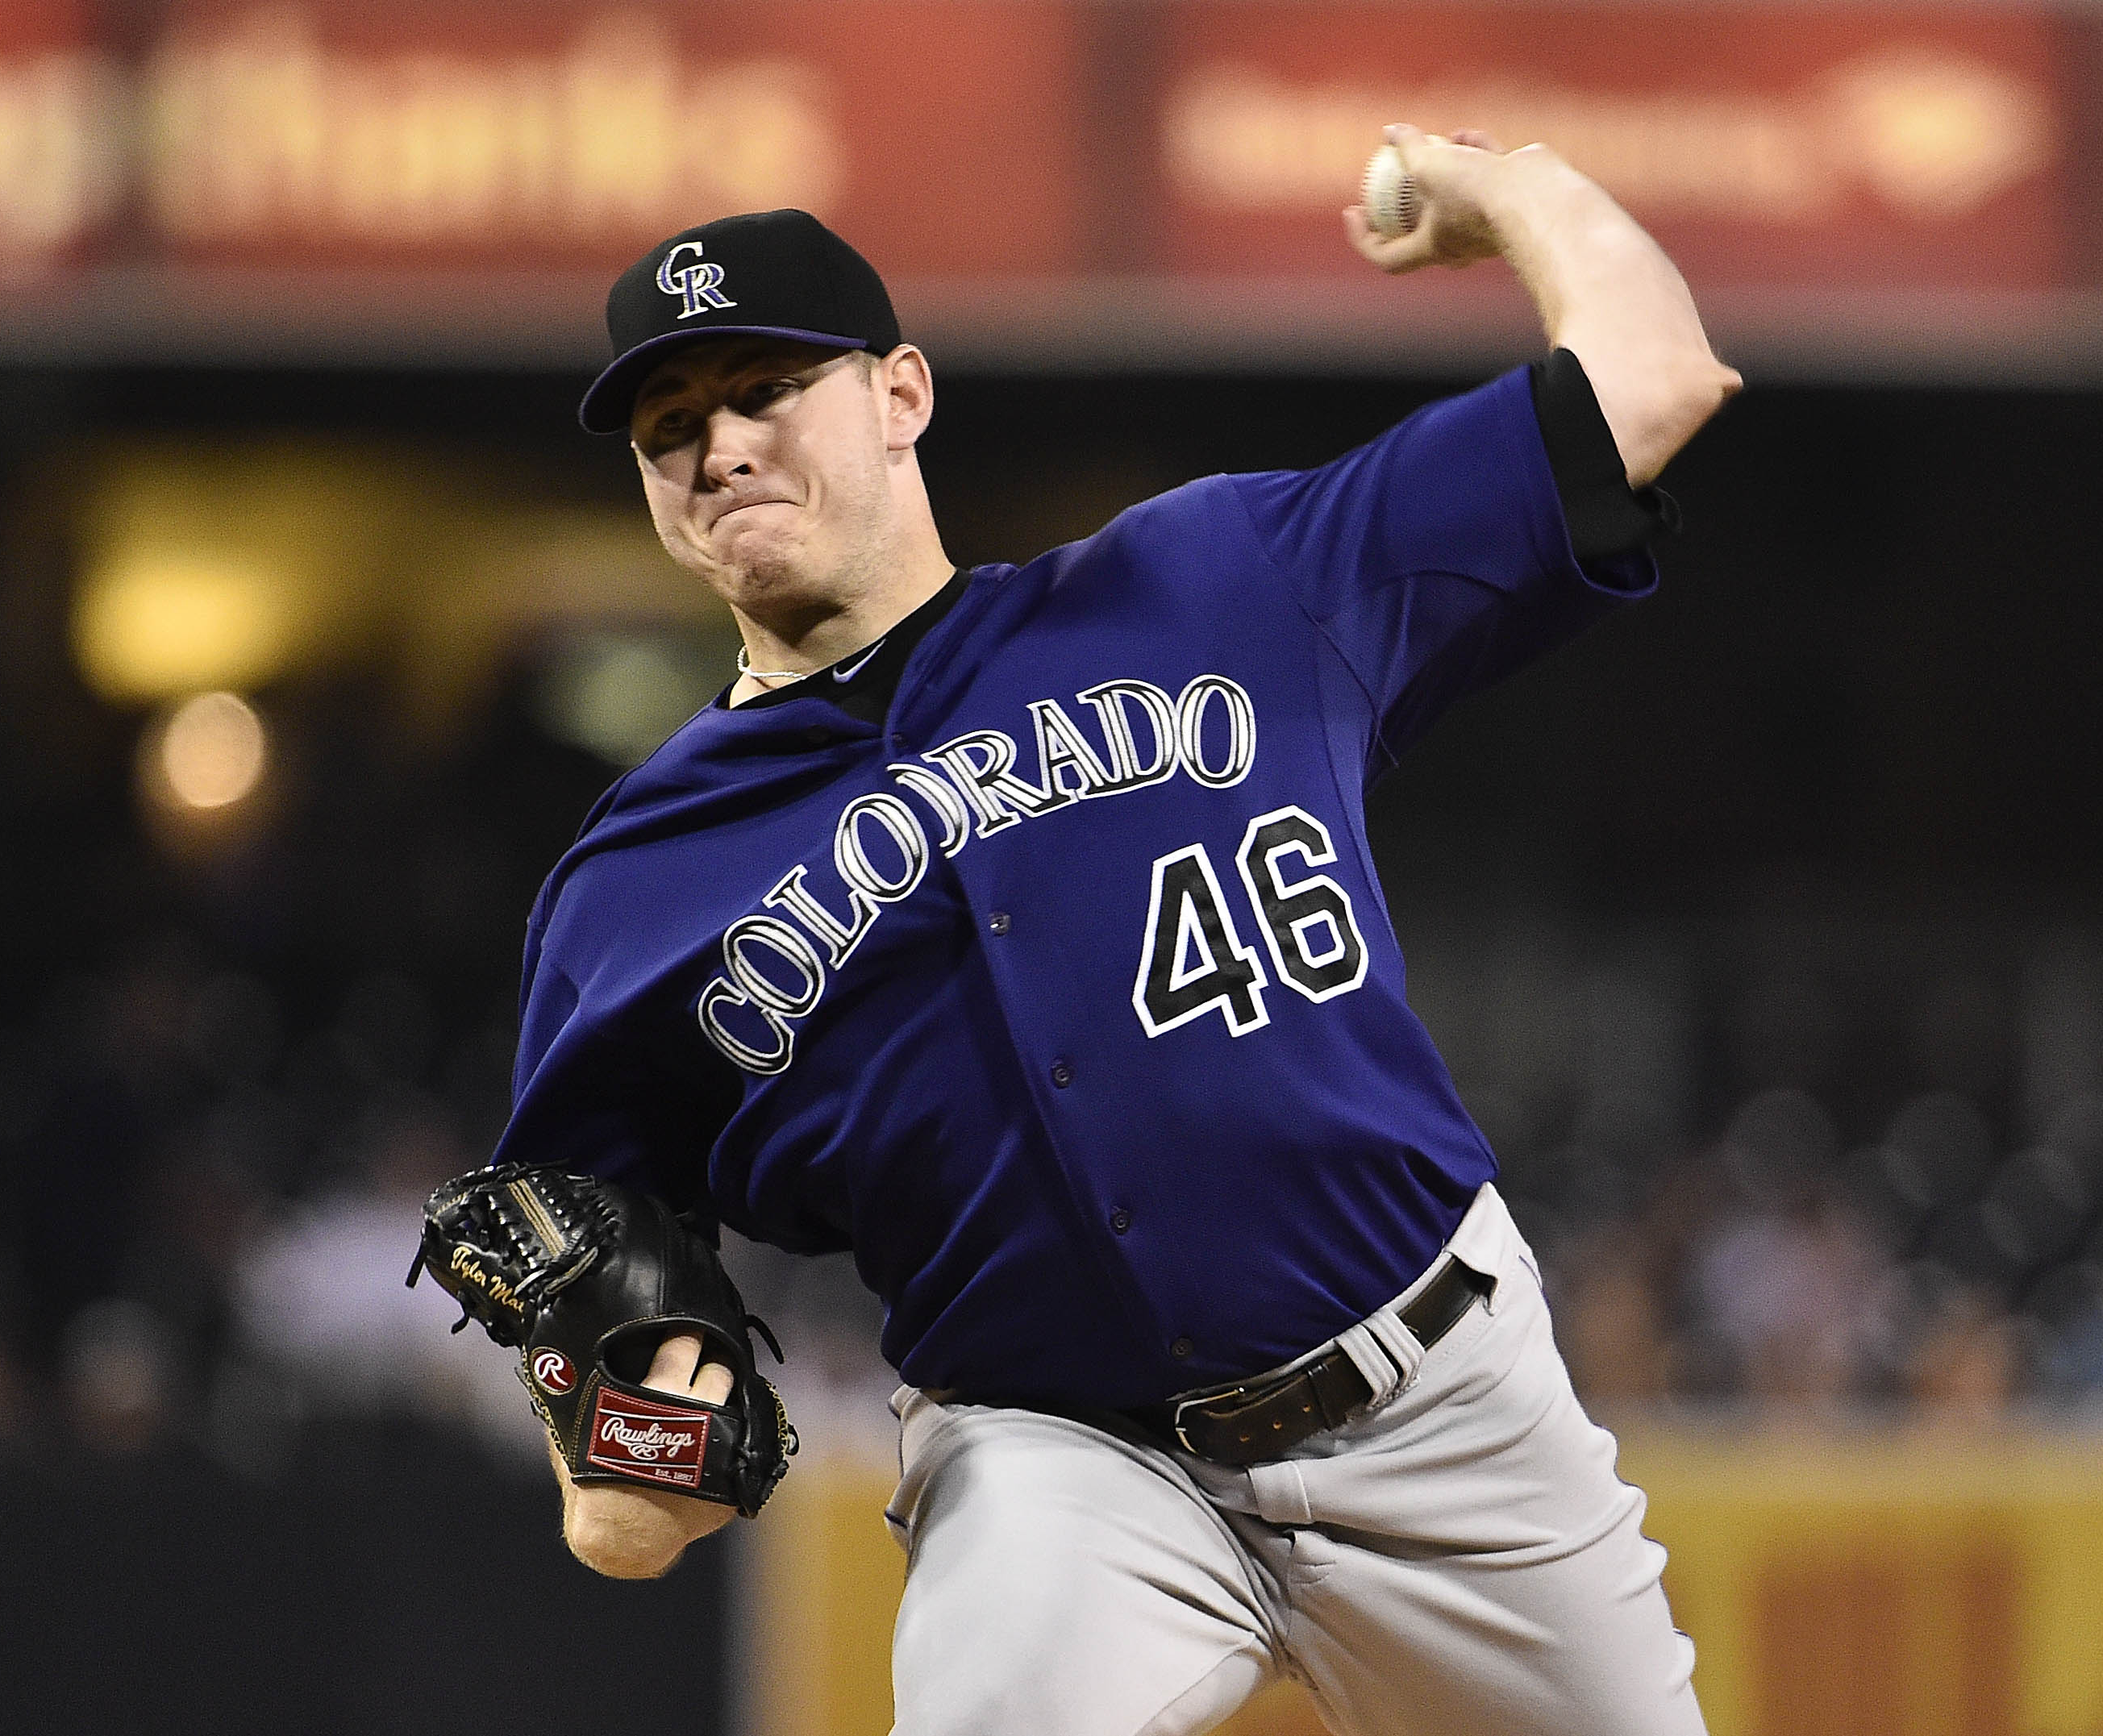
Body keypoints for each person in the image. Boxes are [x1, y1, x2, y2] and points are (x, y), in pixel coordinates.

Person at [495, 123, 1739, 1735]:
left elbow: (1654, 379)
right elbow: (603, 1394)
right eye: (670, 426)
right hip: (1057, 1466)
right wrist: (626, 1460)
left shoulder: (1211, 582)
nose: (719, 444)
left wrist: (1508, 189)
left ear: (900, 393)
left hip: (1435, 1400)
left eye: (764, 389)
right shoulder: (632, 886)